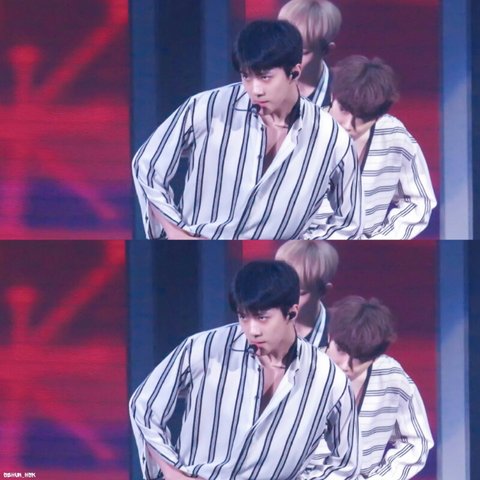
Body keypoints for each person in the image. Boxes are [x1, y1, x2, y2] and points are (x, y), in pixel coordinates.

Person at [132, 20, 362, 240]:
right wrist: (175, 232)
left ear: (294, 72)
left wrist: (303, 241)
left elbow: (350, 223)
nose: (255, 89)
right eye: (246, 76)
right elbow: (147, 165)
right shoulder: (208, 107)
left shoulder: (331, 136)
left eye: (265, 77)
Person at [130, 260, 360, 479]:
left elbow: (346, 463)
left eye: (262, 318)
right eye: (243, 317)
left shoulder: (327, 377)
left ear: (292, 313)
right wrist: (174, 473)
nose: (252, 330)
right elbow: (144, 406)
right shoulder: (205, 348)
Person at [316, 55, 437, 239]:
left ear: (378, 117)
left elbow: (419, 201)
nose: (348, 125)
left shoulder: (393, 134)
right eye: (344, 110)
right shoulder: (303, 132)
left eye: (363, 117)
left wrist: (383, 238)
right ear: (333, 96)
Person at [326, 295, 434, 479]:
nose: (345, 365)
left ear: (375, 357)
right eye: (341, 350)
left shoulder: (390, 375)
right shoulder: (304, 370)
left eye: (360, 358)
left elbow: (417, 441)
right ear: (330, 337)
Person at [275, 240, 338, 348]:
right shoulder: (255, 325)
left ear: (323, 291)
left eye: (299, 293)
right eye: (279, 287)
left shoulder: (341, 336)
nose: (284, 298)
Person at [278, 0, 342, 106]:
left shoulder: (343, 96)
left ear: (326, 50)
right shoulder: (260, 84)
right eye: (283, 47)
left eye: (302, 52)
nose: (287, 58)